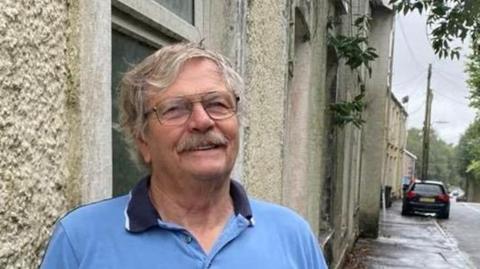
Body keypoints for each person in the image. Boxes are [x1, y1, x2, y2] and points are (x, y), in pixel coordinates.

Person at [41, 42, 328, 268]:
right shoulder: (80, 241)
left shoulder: (292, 235)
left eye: (217, 103)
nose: (202, 121)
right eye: (175, 109)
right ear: (142, 138)